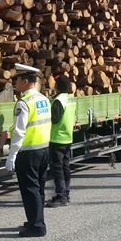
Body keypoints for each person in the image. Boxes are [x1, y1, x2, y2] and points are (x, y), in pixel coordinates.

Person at [5, 64, 51, 237]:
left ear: (25, 81)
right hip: (43, 149)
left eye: (17, 79)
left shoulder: (23, 103)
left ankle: (37, 226)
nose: (15, 83)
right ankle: (35, 220)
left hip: (28, 153)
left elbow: (19, 132)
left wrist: (12, 156)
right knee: (38, 189)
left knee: (29, 190)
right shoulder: (43, 99)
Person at [46, 75, 76, 207]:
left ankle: (61, 196)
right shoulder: (70, 99)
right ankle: (66, 194)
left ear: (57, 86)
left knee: (57, 169)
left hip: (57, 138)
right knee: (65, 167)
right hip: (67, 137)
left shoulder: (58, 101)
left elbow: (54, 119)